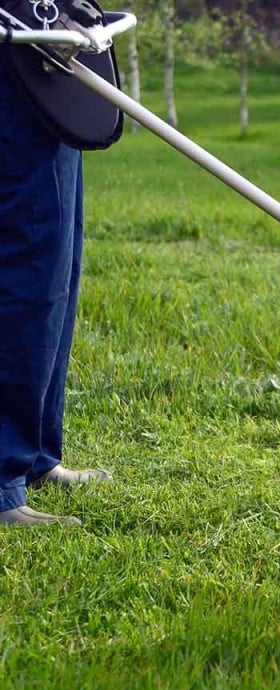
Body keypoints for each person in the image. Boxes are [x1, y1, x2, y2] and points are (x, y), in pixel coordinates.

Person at [0, 52, 110, 527]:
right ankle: (3, 477)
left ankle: (36, 455)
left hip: (43, 57)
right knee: (28, 263)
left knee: (57, 265)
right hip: (10, 64)